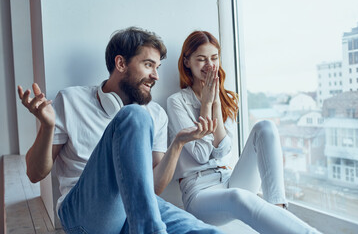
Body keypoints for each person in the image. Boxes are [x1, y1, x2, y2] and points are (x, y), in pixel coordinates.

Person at [17, 27, 224, 234]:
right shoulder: (71, 100)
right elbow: (35, 174)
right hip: (84, 213)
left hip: (132, 211)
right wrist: (47, 126)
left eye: (157, 67)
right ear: (121, 63)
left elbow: (151, 189)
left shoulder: (156, 114)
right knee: (135, 115)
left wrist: (178, 143)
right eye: (148, 65)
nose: (156, 76)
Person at [167, 30, 321, 234]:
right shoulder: (176, 102)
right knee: (239, 197)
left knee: (265, 127)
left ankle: (277, 210)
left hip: (228, 177)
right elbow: (201, 155)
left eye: (214, 58)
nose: (209, 65)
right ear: (187, 62)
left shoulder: (227, 99)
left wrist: (215, 104)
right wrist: (205, 104)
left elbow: (223, 153)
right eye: (201, 59)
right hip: (199, 192)